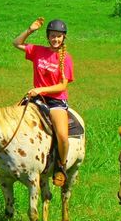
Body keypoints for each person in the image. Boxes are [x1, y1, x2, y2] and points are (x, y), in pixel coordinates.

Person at [12, 17, 74, 186]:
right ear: (48, 36)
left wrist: (40, 89)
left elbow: (62, 85)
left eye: (59, 36)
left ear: (63, 38)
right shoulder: (38, 51)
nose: (56, 39)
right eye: (53, 36)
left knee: (62, 136)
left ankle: (61, 166)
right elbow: (16, 43)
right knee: (12, 123)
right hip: (36, 99)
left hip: (55, 102)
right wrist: (30, 30)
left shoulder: (66, 58)